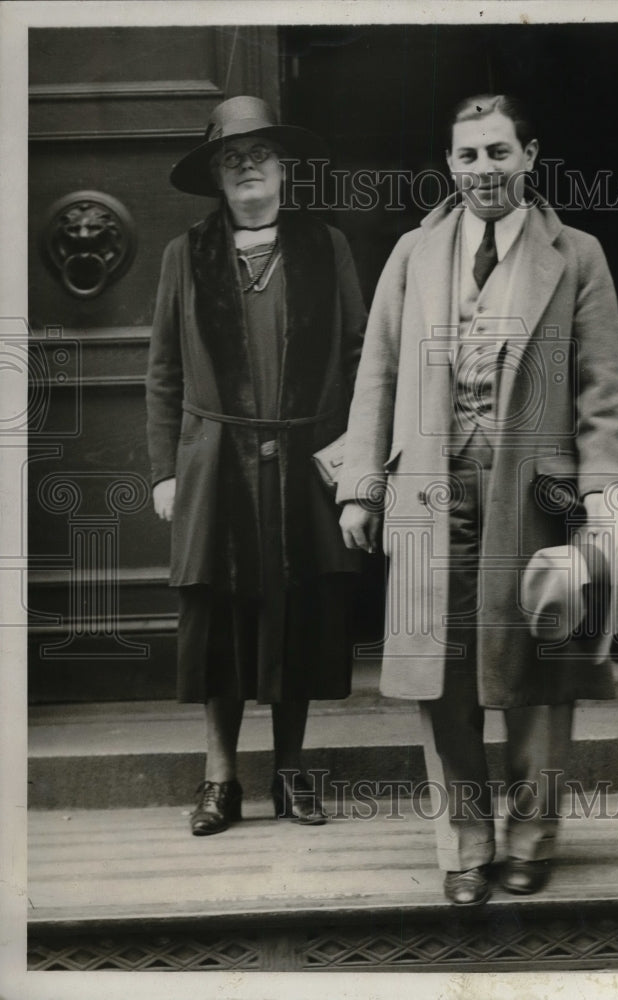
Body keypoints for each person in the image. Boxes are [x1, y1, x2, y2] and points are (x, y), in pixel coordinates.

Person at [338, 94, 618, 904]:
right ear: (449, 165)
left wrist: (605, 501)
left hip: (536, 496)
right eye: (467, 156)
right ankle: (465, 844)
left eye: (499, 153)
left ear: (530, 157)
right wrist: (361, 490)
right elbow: (379, 374)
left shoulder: (576, 256)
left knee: (539, 669)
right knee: (442, 675)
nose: (483, 172)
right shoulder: (411, 254)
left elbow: (601, 394)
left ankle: (531, 839)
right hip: (431, 492)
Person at [146, 96, 366, 836]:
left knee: (297, 615)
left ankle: (294, 773)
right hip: (215, 464)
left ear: (283, 169)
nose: (247, 170)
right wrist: (164, 472)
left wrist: (358, 460)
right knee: (219, 626)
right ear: (216, 175)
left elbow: (362, 356)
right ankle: (220, 781)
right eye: (231, 159)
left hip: (305, 461)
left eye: (260, 156)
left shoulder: (324, 246)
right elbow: (164, 373)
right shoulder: (187, 255)